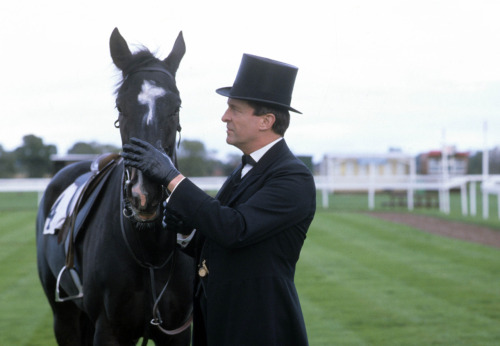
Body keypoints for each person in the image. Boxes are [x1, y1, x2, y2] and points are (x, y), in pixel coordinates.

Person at [122, 53, 316, 346]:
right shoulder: (243, 170)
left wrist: (172, 178)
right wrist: (186, 230)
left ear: (266, 121)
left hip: (260, 327)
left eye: (235, 109)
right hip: (219, 323)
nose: (225, 117)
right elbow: (215, 243)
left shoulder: (293, 178)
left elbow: (234, 230)